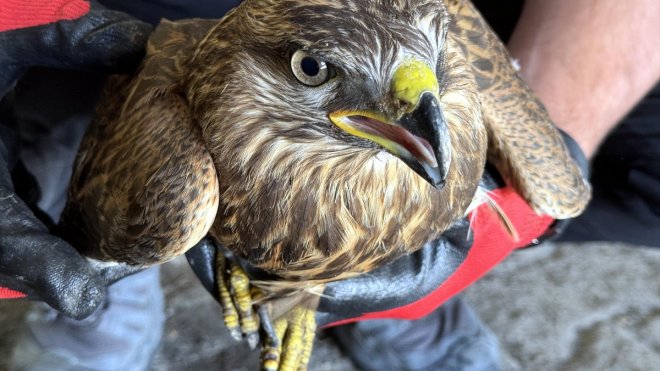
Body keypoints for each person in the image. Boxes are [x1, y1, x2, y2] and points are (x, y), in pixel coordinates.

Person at [0, 1, 657, 371]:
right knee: (126, 226)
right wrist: (134, 208)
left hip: (384, 29)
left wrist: (537, 153)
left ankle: (383, 303)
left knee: (616, 183)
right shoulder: (185, 142)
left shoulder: (434, 76)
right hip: (133, 25)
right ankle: (111, 276)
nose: (417, 112)